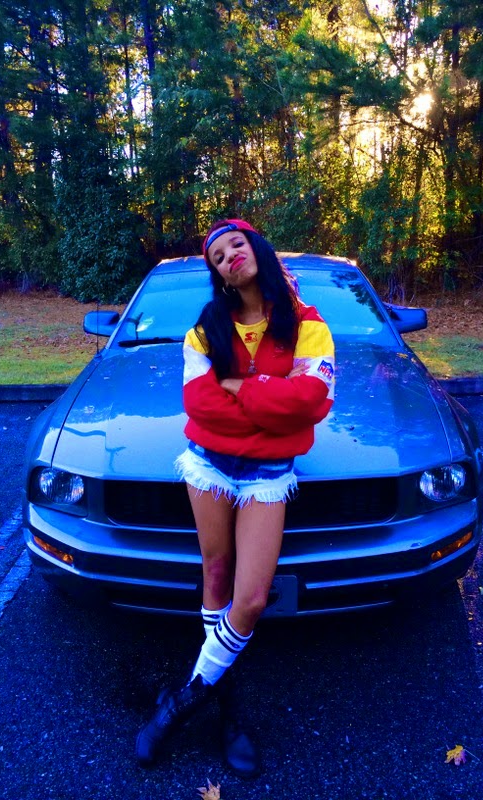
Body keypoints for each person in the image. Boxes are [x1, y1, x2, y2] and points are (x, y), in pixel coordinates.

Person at [136, 219, 335, 777]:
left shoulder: (307, 324)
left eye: (236, 246)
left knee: (249, 599)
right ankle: (228, 716)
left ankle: (178, 705)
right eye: (218, 257)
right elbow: (200, 405)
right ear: (218, 274)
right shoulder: (205, 329)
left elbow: (311, 400)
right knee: (217, 575)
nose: (229, 258)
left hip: (268, 474)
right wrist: (272, 405)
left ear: (257, 249)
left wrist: (241, 386)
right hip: (209, 465)